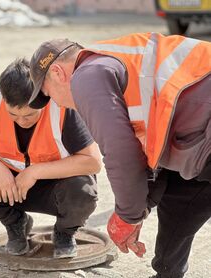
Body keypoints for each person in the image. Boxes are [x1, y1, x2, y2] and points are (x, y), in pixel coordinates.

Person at [28, 34, 211, 278]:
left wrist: (127, 215)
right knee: (178, 202)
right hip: (198, 140)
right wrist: (138, 209)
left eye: (48, 93)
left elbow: (120, 152)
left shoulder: (87, 75)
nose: (57, 105)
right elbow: (149, 157)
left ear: (59, 73)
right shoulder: (116, 67)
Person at [0, 58, 101, 259]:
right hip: (12, 188)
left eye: (29, 115)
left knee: (83, 189)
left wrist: (36, 171)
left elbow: (93, 162)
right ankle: (15, 223)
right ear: (4, 99)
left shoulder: (61, 106)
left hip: (56, 188)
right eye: (13, 114)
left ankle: (65, 233)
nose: (21, 121)